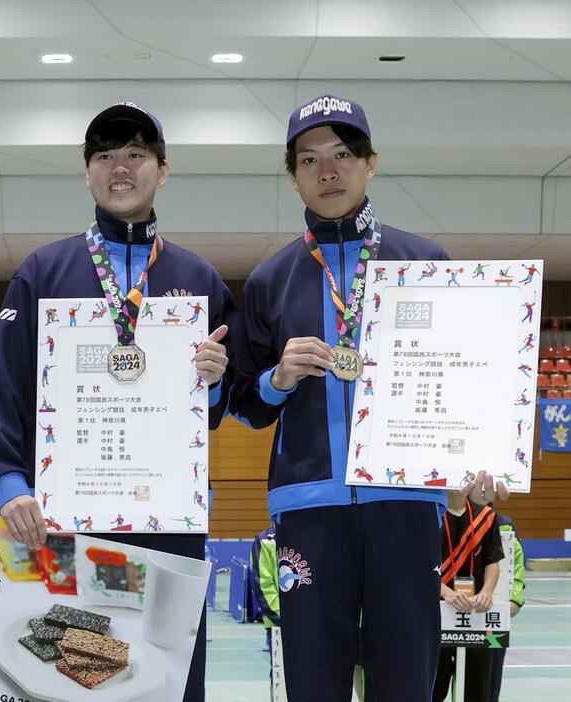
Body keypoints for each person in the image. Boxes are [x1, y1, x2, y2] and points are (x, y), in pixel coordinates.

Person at [232, 94, 509, 702]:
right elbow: (244, 405)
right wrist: (276, 380)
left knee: (407, 679)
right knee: (313, 681)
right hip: (308, 509)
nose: (327, 171)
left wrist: (484, 458)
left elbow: (462, 382)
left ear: (371, 162)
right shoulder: (269, 280)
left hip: (405, 508)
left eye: (342, 154)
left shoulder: (424, 262)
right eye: (308, 159)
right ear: (291, 174)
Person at [0, 102, 236, 701]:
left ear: (163, 170)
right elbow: (8, 388)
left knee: (164, 680)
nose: (119, 168)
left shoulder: (198, 278)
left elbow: (228, 404)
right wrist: (11, 483)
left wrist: (215, 378)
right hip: (71, 526)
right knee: (78, 678)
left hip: (169, 523)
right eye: (104, 156)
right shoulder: (44, 271)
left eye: (135, 155)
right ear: (87, 172)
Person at [434, 491, 503, 702]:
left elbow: (492, 561)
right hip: (436, 614)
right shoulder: (430, 515)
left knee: (477, 688)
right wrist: (445, 593)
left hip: (475, 614)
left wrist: (486, 592)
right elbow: (418, 564)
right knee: (433, 687)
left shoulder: (487, 516)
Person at [489, 511, 525, 702]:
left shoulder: (504, 524)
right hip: (447, 612)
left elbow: (517, 564)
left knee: (489, 684)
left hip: (493, 617)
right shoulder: (442, 517)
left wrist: (515, 599)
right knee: (438, 682)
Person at [249, 526, 280, 669]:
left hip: (315, 625)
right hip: (278, 625)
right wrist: (285, 619)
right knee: (281, 680)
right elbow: (263, 585)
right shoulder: (264, 541)